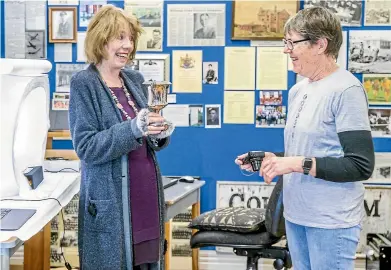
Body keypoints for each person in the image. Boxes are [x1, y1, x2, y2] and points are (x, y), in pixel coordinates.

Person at [235, 7, 374, 270]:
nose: (286, 50)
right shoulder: (299, 89)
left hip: (330, 221)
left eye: (292, 43)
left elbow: (360, 165)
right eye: (285, 42)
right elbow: (311, 150)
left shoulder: (347, 90)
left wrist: (296, 164)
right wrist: (274, 159)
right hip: (297, 215)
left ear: (320, 44)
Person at [68, 5, 175, 270]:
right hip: (112, 204)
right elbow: (86, 147)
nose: (127, 45)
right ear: (101, 39)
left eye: (130, 38)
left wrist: (159, 133)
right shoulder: (84, 83)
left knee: (148, 263)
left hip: (146, 198)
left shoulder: (134, 79)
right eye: (120, 37)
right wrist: (134, 128)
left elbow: (145, 140)